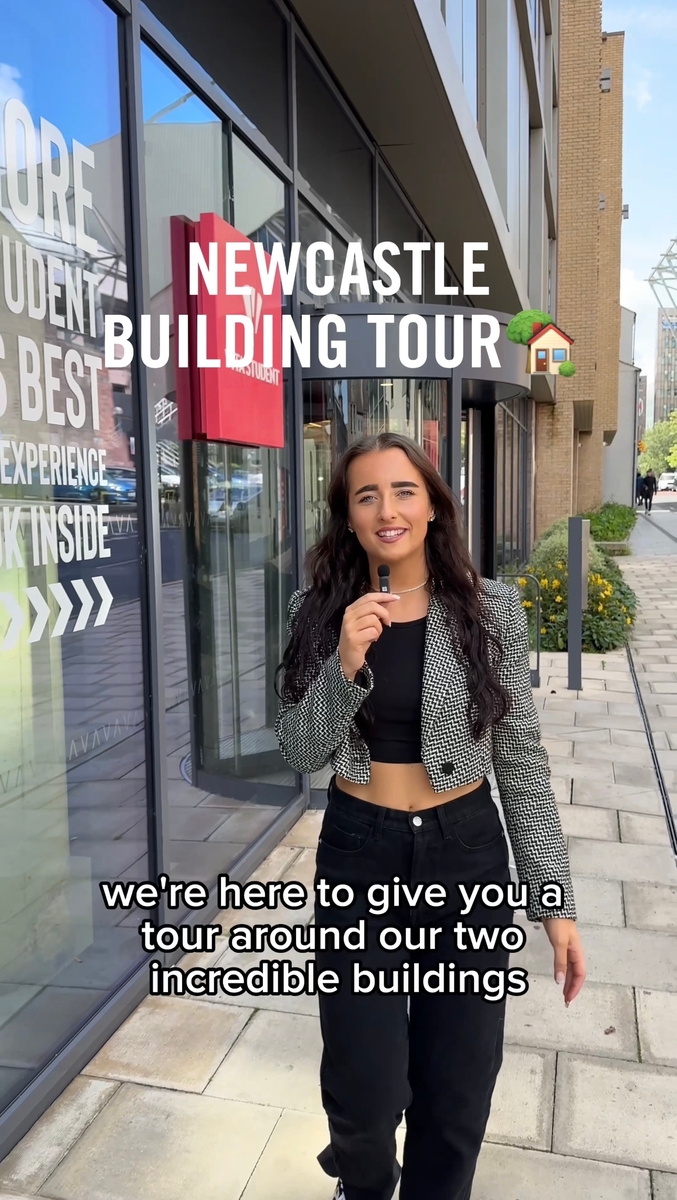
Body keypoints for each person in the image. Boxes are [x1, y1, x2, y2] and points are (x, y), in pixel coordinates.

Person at [275, 432, 586, 1200]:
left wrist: (555, 904)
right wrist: (344, 666)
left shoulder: (490, 613)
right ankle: (361, 1180)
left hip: (465, 856)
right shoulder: (316, 613)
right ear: (345, 516)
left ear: (433, 505)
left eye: (404, 490)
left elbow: (519, 763)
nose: (388, 509)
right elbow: (298, 750)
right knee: (365, 1091)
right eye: (366, 495)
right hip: (359, 854)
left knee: (456, 1092)